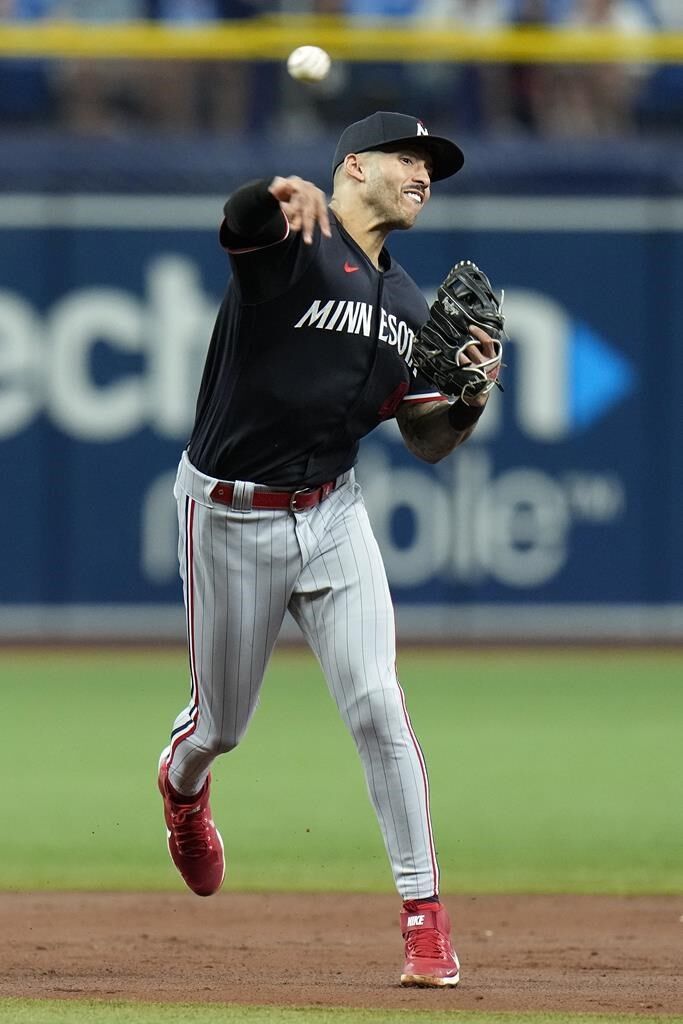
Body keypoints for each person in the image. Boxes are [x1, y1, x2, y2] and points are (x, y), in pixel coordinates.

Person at [157, 110, 500, 988]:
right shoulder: (292, 238)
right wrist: (272, 192)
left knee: (379, 707)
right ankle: (182, 786)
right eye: (407, 157)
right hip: (231, 516)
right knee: (219, 728)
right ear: (352, 168)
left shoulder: (411, 306)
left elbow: (423, 441)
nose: (423, 173)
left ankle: (425, 922)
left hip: (333, 513)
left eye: (433, 165)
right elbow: (237, 223)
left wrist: (464, 399)